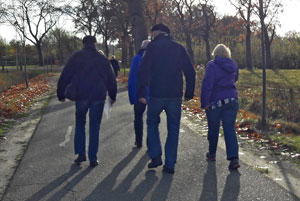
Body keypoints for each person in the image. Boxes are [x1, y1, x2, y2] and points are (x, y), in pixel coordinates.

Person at [137, 24, 195, 174]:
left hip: (156, 93)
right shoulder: (179, 48)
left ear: (158, 32)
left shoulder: (152, 48)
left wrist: (142, 93)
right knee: (173, 129)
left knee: (151, 123)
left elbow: (143, 71)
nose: (151, 36)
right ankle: (170, 164)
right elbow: (190, 71)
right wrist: (189, 93)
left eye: (152, 33)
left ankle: (155, 154)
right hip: (174, 94)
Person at [57, 35, 117, 167]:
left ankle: (80, 153)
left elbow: (65, 75)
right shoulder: (102, 58)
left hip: (81, 95)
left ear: (83, 43)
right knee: (95, 127)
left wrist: (60, 94)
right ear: (95, 43)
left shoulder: (76, 57)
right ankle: (93, 157)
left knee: (80, 123)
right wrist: (112, 96)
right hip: (98, 96)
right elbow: (111, 79)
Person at [200, 44, 240, 170]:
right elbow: (235, 79)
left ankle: (212, 153)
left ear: (215, 53)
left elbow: (208, 84)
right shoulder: (233, 65)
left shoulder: (212, 65)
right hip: (232, 100)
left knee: (213, 128)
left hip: (216, 102)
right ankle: (234, 159)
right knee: (229, 129)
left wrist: (204, 102)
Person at [128, 40, 150, 148]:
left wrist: (133, 97)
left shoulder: (136, 59)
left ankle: (139, 140)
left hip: (139, 93)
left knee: (138, 118)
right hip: (152, 94)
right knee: (151, 121)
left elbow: (132, 78)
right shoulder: (155, 58)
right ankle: (151, 143)